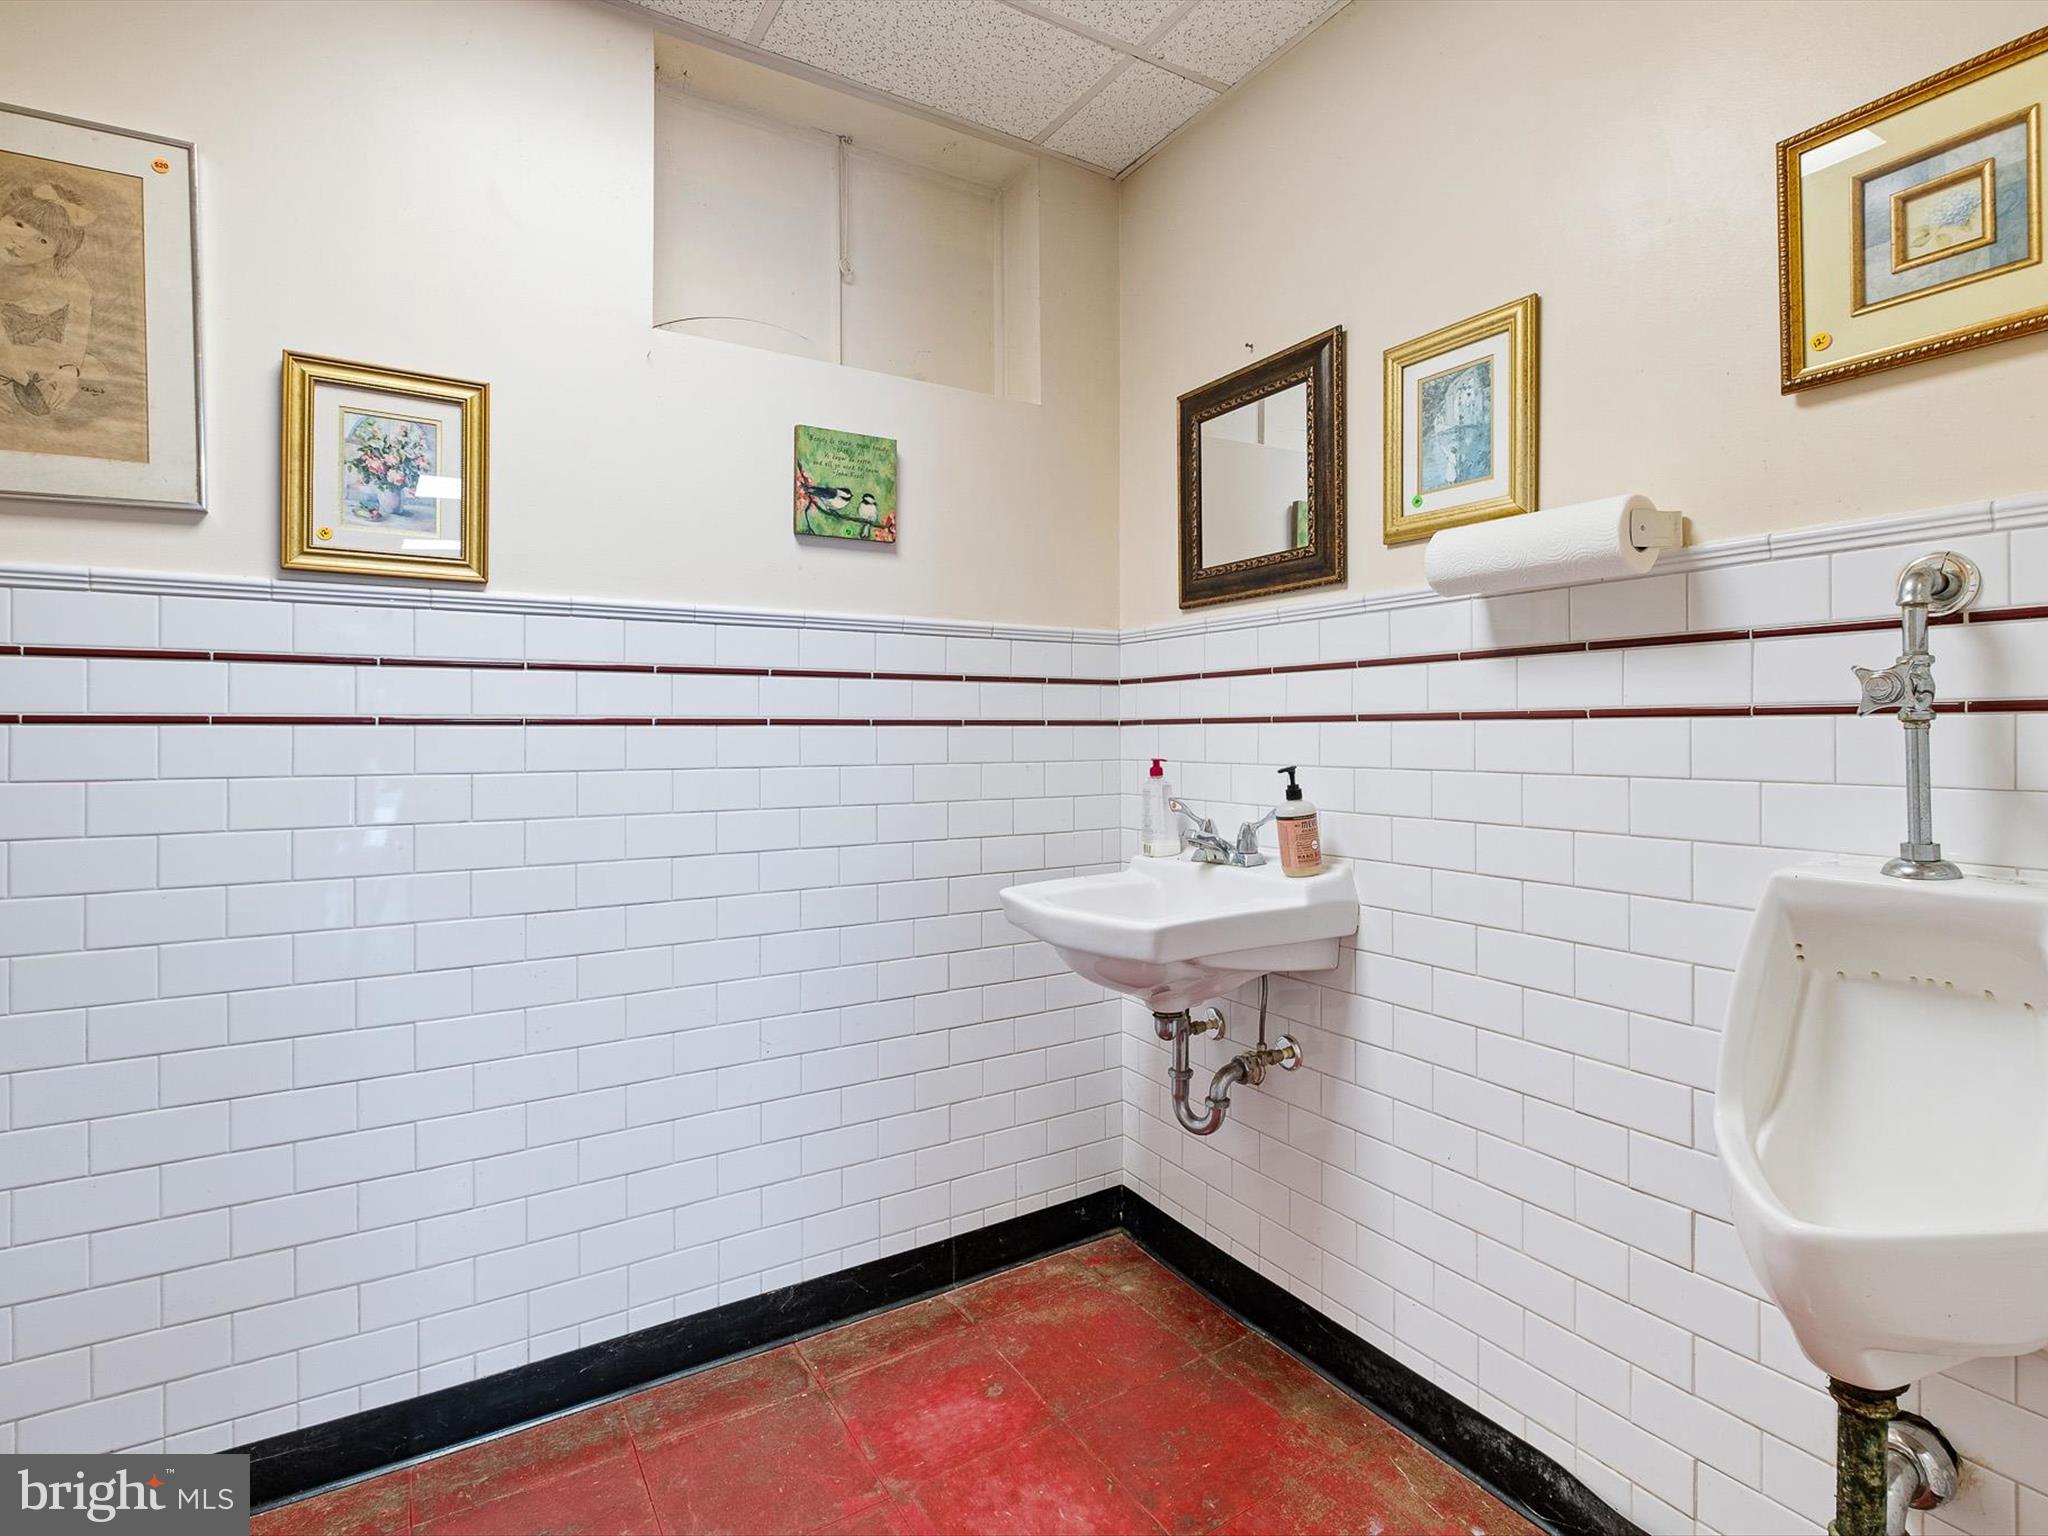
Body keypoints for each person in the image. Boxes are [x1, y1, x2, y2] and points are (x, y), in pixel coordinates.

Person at [0, 180, 104, 420]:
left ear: (58, 252)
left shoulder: (65, 276)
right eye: (18, 224)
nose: (20, 242)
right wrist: (21, 378)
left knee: (95, 371)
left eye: (43, 240)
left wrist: (69, 369)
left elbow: (78, 322)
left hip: (35, 348)